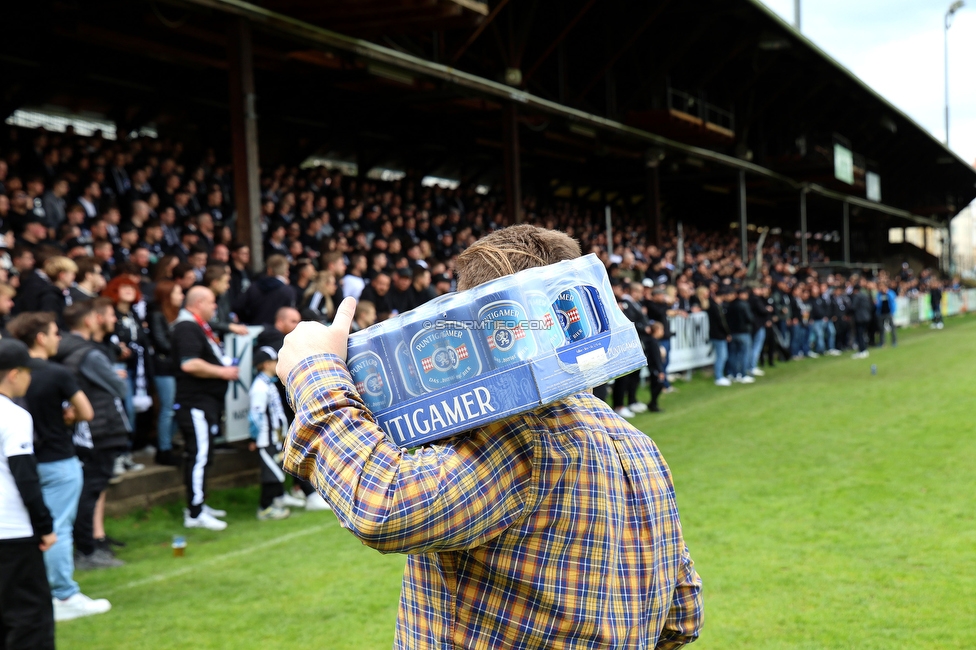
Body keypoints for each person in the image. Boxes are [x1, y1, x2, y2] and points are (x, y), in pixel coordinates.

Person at [277, 224, 702, 649]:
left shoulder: (522, 437)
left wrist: (314, 372)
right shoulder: (638, 444)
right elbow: (682, 616)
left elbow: (385, 504)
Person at [7, 312, 112, 621]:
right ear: (40, 337)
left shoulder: (11, 376)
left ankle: (38, 591)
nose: (59, 339)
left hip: (19, 463)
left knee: (27, 529)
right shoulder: (57, 373)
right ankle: (63, 594)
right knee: (57, 528)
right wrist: (71, 417)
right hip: (57, 459)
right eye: (55, 333)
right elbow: (86, 412)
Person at [56, 299, 130, 569]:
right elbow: (119, 388)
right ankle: (86, 550)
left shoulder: (66, 352)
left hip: (84, 430)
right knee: (91, 488)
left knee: (90, 488)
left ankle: (92, 541)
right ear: (90, 320)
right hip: (101, 427)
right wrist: (115, 375)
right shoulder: (89, 354)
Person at [0, 338, 57, 650]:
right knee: (29, 622)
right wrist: (45, 526)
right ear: (13, 374)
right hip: (13, 533)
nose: (30, 378)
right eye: (27, 372)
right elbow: (25, 476)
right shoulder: (14, 416)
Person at [172, 286, 239, 531]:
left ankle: (199, 502)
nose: (214, 307)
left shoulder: (197, 326)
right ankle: (195, 512)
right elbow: (189, 364)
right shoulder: (186, 327)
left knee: (205, 454)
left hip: (205, 403)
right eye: (211, 302)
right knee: (198, 456)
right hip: (194, 403)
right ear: (198, 303)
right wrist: (222, 371)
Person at [248, 346, 291, 521]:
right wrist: (253, 437)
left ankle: (277, 501)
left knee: (277, 470)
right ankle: (265, 508)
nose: (277, 364)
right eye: (275, 361)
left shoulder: (269, 384)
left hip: (276, 438)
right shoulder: (259, 387)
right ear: (266, 364)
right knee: (271, 472)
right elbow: (255, 416)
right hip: (266, 439)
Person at [147, 280, 184, 466]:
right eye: (178, 293)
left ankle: (167, 442)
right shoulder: (157, 315)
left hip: (174, 368)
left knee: (176, 408)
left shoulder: (178, 315)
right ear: (167, 295)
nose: (181, 296)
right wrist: (182, 349)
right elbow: (161, 343)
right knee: (167, 409)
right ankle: (163, 449)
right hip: (164, 369)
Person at [233, 254, 295, 326]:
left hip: (254, 329)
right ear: (286, 271)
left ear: (269, 270)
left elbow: (238, 307)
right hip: (277, 333)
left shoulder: (253, 287)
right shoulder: (288, 291)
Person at [706, 287, 732, 386]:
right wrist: (727, 333)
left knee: (722, 356)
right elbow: (721, 322)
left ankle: (720, 375)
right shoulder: (716, 307)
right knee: (721, 356)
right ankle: (718, 377)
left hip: (717, 334)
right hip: (718, 335)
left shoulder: (714, 306)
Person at [646, 320, 667, 413]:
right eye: (661, 330)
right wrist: (660, 371)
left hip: (654, 367)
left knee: (656, 385)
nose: (663, 332)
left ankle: (653, 403)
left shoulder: (654, 341)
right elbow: (655, 358)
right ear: (657, 330)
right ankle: (652, 403)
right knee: (658, 384)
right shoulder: (653, 342)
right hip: (654, 368)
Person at [851, 284, 873, 359]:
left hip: (860, 318)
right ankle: (864, 349)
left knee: (860, 335)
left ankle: (862, 350)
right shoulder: (865, 296)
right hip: (867, 317)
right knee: (863, 334)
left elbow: (853, 307)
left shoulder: (857, 296)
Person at [875, 282, 897, 347]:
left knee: (892, 328)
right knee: (881, 329)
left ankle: (894, 341)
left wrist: (887, 293)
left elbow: (893, 301)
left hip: (889, 313)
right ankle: (882, 342)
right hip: (881, 313)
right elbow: (877, 304)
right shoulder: (879, 294)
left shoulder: (890, 293)